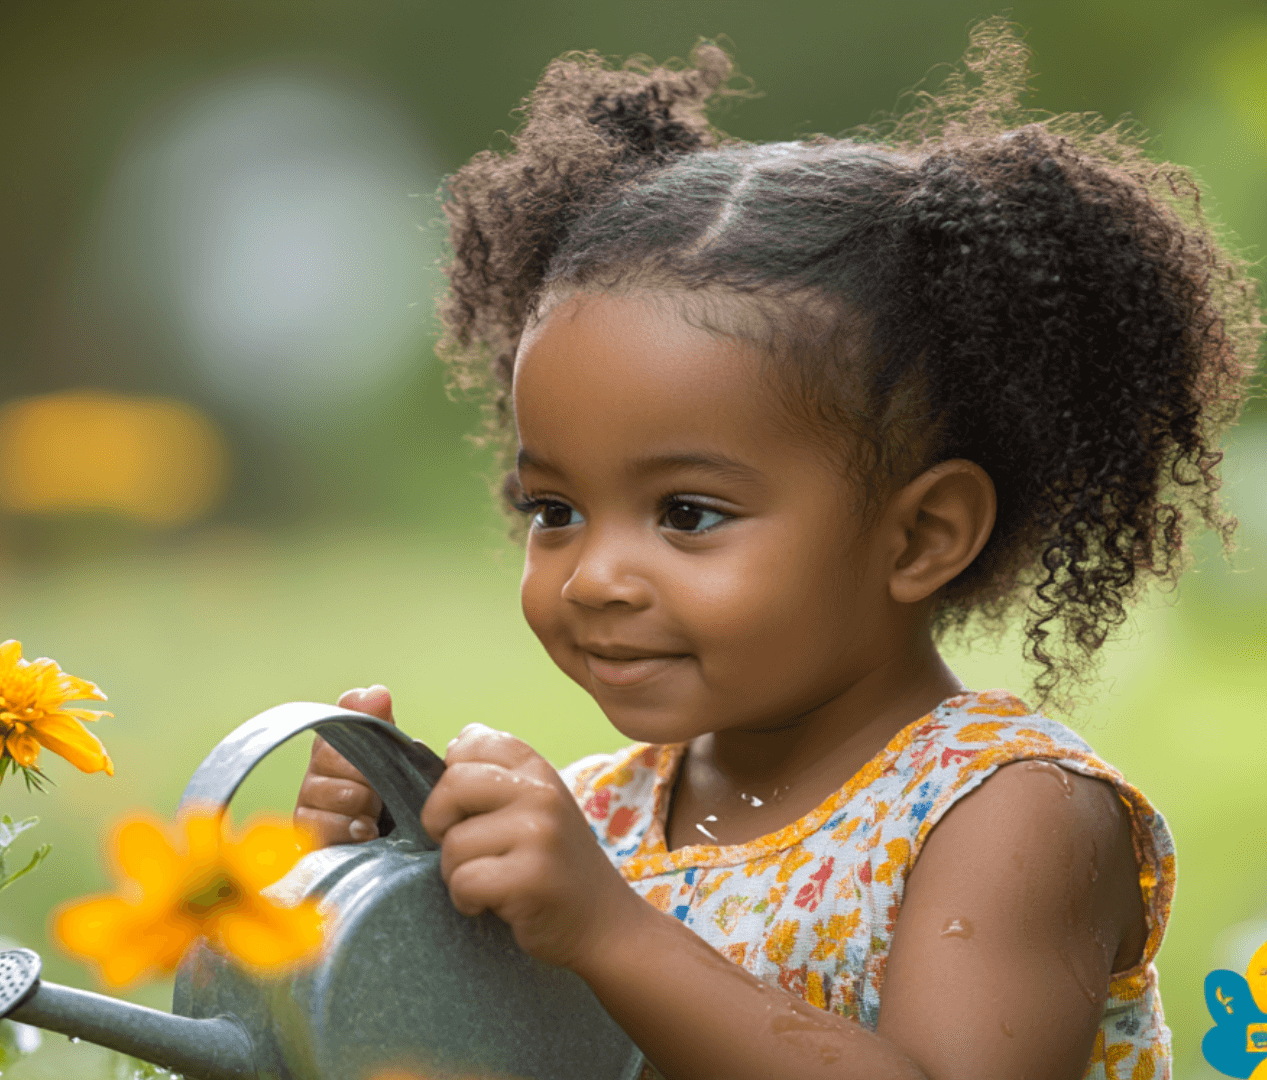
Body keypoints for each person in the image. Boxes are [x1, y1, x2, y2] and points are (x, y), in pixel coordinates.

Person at [294, 20, 1258, 1080]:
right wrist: (387, 889)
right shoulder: (603, 817)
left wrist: (612, 932)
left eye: (689, 515)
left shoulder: (1012, 817)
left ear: (920, 536)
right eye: (554, 508)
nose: (595, 577)